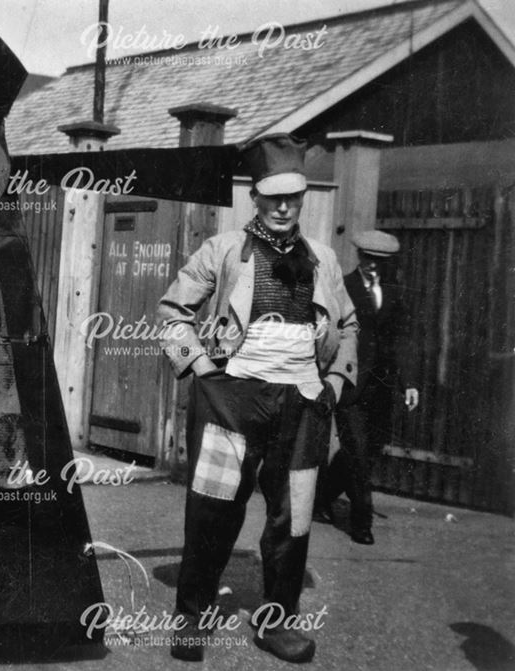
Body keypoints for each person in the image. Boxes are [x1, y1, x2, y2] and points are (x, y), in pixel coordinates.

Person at [156, 134, 358, 664]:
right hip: (233, 400)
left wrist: (335, 382)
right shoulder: (222, 250)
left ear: (304, 195)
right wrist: (201, 367)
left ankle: (277, 623)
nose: (284, 206)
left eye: (293, 194)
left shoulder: (324, 259)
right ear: (256, 197)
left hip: (303, 402)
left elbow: (350, 325)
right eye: (273, 195)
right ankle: (193, 617)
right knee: (213, 510)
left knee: (292, 519)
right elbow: (172, 312)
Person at [315, 230, 418, 545]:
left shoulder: (394, 291)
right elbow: (329, 334)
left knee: (368, 450)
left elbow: (402, 339)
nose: (374, 266)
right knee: (357, 454)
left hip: (382, 387)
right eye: (369, 259)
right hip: (350, 384)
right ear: (360, 257)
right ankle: (361, 523)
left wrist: (409, 383)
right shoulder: (342, 287)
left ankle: (320, 497)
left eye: (380, 261)